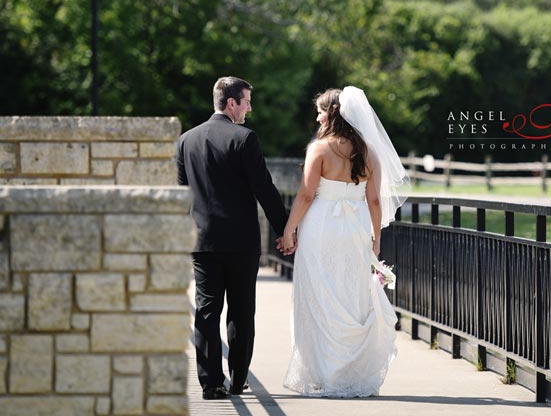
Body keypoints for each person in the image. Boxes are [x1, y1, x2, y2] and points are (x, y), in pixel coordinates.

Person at [280, 86, 410, 397]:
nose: (317, 116)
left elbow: (307, 195)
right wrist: (375, 240)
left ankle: (325, 372)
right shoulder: (368, 152)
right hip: (354, 229)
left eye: (320, 111)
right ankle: (351, 372)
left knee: (319, 295)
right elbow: (375, 201)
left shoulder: (319, 149)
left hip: (320, 228)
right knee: (351, 296)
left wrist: (289, 230)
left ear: (333, 114)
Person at [175, 76, 290, 400]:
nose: (250, 108)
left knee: (207, 311)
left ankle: (211, 383)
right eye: (247, 101)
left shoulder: (186, 140)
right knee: (241, 311)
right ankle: (238, 379)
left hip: (202, 240)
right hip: (241, 242)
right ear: (231, 104)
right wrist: (285, 229)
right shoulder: (245, 139)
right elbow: (264, 189)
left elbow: (181, 194)